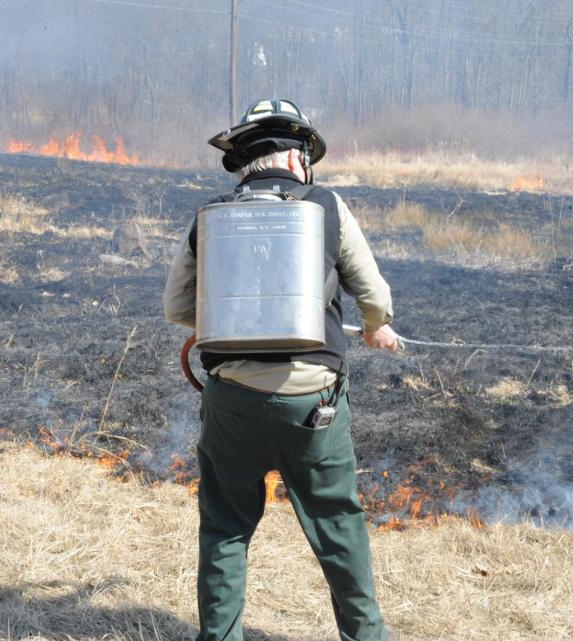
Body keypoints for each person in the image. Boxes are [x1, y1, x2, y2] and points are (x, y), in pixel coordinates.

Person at [164, 99, 398, 641]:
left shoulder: (212, 216)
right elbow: (375, 295)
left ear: (244, 161)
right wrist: (376, 324)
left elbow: (177, 308)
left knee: (225, 525)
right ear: (298, 159)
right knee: (338, 526)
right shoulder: (327, 206)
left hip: (233, 402)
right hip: (312, 404)